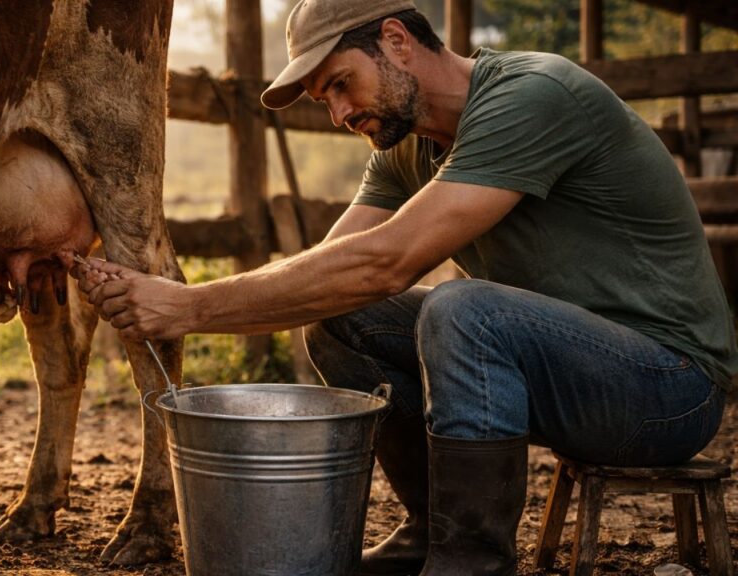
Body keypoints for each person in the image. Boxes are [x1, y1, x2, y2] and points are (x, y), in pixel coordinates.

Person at [73, 0, 738, 574]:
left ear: (396, 41)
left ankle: (471, 563)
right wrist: (163, 296)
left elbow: (387, 262)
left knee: (464, 310)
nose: (336, 112)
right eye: (324, 99)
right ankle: (429, 534)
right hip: (565, 371)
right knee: (340, 320)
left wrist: (188, 309)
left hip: (668, 387)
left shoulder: (531, 96)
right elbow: (333, 267)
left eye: (340, 84)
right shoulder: (406, 148)